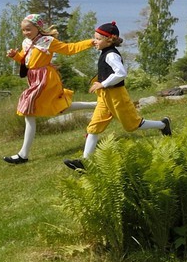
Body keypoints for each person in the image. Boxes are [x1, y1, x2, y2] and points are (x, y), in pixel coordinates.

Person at [63, 22, 171, 171]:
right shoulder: (104, 52)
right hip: (104, 97)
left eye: (98, 39)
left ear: (109, 40)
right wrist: (101, 86)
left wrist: (103, 84)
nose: (95, 41)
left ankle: (163, 125)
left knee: (132, 125)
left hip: (116, 96)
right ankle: (85, 162)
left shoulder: (111, 55)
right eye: (94, 38)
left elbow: (121, 73)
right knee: (93, 127)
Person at [4, 13, 95, 164]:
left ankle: (23, 155)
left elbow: (69, 49)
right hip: (35, 79)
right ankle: (97, 105)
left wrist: (90, 42)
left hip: (46, 80)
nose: (25, 32)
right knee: (60, 108)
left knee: (28, 111)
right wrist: (15, 56)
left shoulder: (48, 41)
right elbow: (26, 61)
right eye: (23, 30)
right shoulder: (26, 42)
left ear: (37, 27)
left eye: (28, 29)